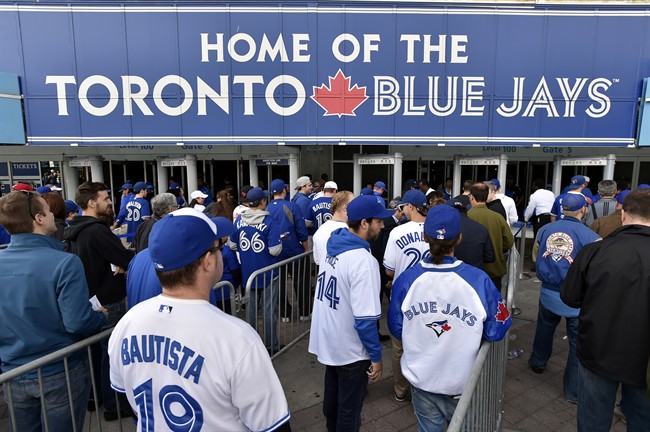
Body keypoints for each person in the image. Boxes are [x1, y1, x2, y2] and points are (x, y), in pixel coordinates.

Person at [108, 208, 291, 431]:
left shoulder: (127, 323)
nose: (220, 253)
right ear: (207, 261)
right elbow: (273, 426)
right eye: (218, 248)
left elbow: (123, 397)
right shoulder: (237, 338)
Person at [388, 205, 511, 432]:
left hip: (422, 378)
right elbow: (498, 328)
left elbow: (396, 328)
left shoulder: (407, 279)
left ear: (425, 237)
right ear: (460, 238)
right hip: (461, 382)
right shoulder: (478, 280)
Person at [0, 190, 107, 431]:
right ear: (38, 218)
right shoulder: (65, 263)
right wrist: (99, 316)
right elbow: (77, 322)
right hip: (61, 370)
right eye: (48, 212)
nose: (52, 216)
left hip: (13, 371)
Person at [561, 189, 650, 431]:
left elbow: (570, 297)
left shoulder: (596, 250)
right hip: (644, 358)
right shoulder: (594, 248)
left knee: (593, 420)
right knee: (642, 420)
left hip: (598, 349)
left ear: (623, 215)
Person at [309, 195, 392, 431]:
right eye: (379, 221)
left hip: (331, 343)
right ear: (364, 223)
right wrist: (376, 357)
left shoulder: (334, 244)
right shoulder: (363, 261)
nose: (383, 226)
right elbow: (365, 321)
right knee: (349, 412)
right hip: (351, 351)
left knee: (333, 407)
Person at [64, 181, 134, 421]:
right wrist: (122, 262)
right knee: (110, 355)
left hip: (90, 300)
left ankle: (97, 398)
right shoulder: (96, 230)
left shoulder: (74, 230)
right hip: (108, 301)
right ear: (92, 203)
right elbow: (124, 256)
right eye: (105, 198)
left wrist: (117, 263)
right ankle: (114, 404)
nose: (110, 202)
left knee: (96, 354)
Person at [528, 193, 600, 403]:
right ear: (583, 210)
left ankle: (538, 362)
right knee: (577, 342)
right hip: (577, 298)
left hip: (548, 292)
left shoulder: (544, 230)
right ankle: (573, 391)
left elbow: (534, 256)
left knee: (544, 328)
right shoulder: (591, 237)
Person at [383, 189, 430, 403]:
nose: (402, 209)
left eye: (404, 206)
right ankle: (423, 390)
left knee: (399, 348)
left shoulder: (398, 232)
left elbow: (389, 271)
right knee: (426, 344)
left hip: (402, 297)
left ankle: (401, 390)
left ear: (411, 207)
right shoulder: (434, 229)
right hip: (428, 297)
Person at [229, 187, 283, 354]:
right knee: (268, 312)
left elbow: (233, 245)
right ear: (263, 202)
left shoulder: (238, 221)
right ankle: (270, 345)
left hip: (248, 274)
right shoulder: (269, 222)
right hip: (268, 274)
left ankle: (251, 347)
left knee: (251, 313)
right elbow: (274, 250)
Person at [266, 179, 310, 323]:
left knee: (280, 283)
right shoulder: (292, 206)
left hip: (276, 252)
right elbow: (301, 228)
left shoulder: (267, 208)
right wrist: (305, 246)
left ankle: (285, 314)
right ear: (284, 190)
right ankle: (304, 313)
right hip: (294, 250)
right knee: (301, 281)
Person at [468, 183, 514, 290]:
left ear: (472, 197)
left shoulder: (466, 216)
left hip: (472, 270)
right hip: (495, 269)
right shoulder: (497, 217)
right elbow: (509, 242)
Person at [446, 199, 495, 270]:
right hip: (475, 275)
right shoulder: (481, 229)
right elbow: (490, 257)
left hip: (452, 274)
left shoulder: (445, 229)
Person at [312, 191, 354, 267]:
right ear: (345, 207)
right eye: (354, 204)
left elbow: (317, 260)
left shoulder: (320, 231)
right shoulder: (348, 231)